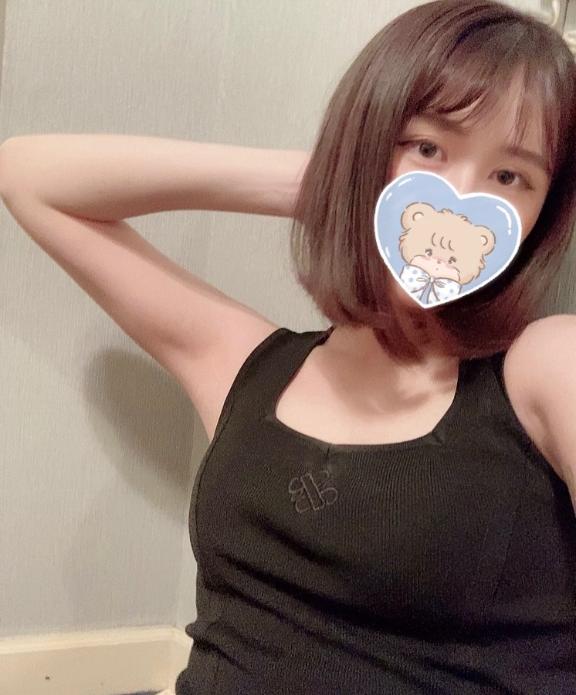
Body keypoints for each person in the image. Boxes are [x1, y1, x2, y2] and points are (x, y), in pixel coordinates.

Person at [1, 0, 575, 692]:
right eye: (426, 148)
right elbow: (28, 178)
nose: (456, 200)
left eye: (510, 177)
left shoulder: (548, 365)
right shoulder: (245, 363)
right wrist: (331, 183)